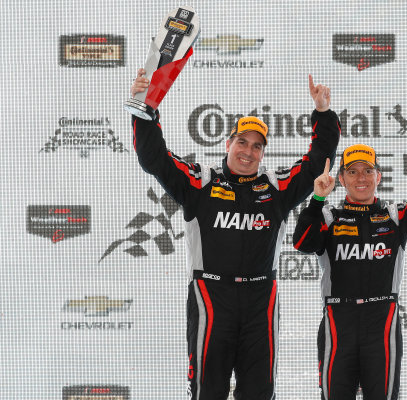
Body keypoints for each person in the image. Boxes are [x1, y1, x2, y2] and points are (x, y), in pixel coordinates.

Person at [130, 70, 340, 400]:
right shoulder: (201, 182)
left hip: (260, 301)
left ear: (263, 153)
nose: (248, 151)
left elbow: (319, 161)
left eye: (257, 146)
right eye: (242, 142)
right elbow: (153, 157)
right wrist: (146, 111)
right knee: (207, 392)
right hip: (211, 297)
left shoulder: (276, 187)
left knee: (258, 393)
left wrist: (323, 113)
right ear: (228, 144)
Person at [292, 101, 407, 400]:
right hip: (337, 320)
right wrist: (316, 199)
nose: (361, 178)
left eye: (368, 170)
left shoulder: (395, 217)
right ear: (340, 179)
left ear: (378, 177)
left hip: (382, 319)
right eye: (352, 172)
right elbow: (302, 243)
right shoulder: (329, 216)